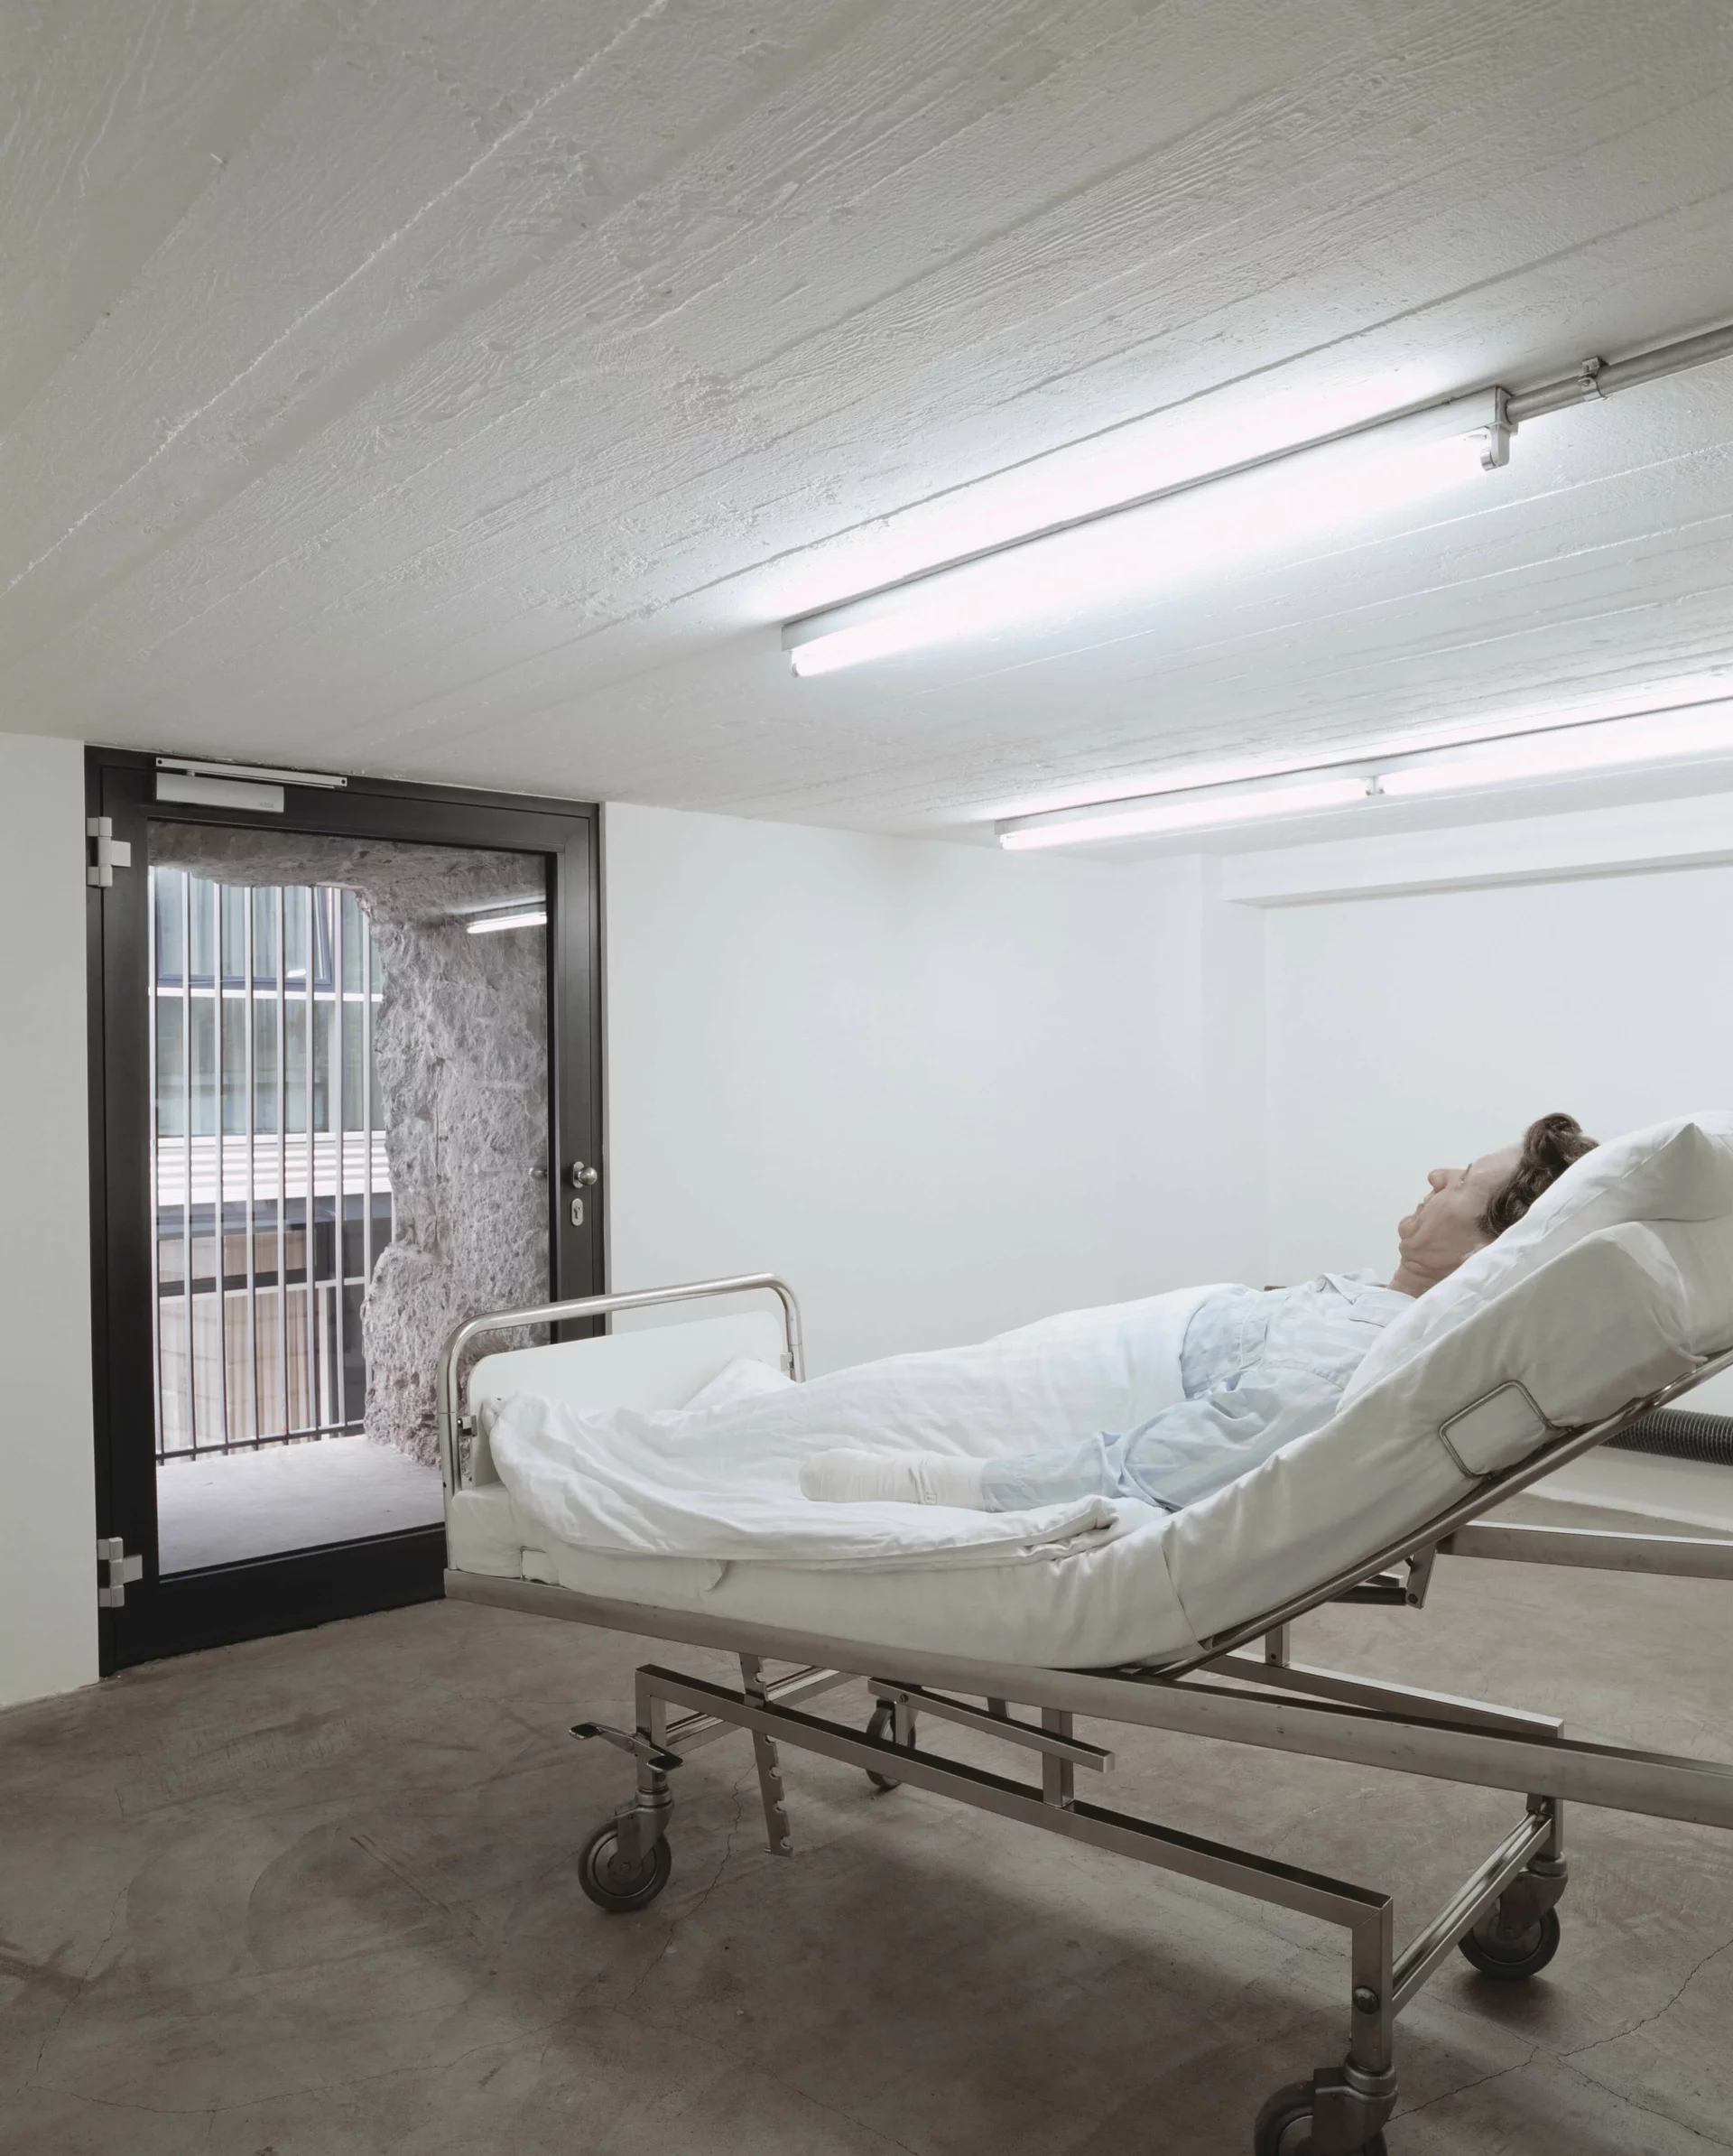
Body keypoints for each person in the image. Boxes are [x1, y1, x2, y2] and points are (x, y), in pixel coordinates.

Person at [802, 1112, 1599, 1515]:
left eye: (1460, 1181)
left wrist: (933, 1483)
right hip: (1124, 1335)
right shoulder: (1388, 1305)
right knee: (837, 1401)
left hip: (1095, 1376)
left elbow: (1150, 1470)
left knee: (808, 1431)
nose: (1434, 1173)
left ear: (1490, 1248)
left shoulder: (1345, 1367)